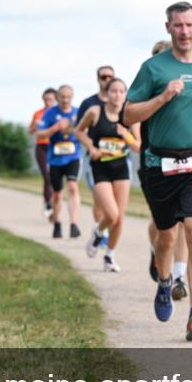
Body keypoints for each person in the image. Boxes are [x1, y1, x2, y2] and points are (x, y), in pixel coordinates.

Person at [123, 1, 192, 341]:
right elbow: (128, 116)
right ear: (168, 28)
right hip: (159, 165)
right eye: (177, 26)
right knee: (166, 237)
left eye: (189, 25)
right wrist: (162, 98)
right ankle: (165, 282)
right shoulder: (153, 68)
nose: (184, 31)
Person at [76, 78, 142, 272]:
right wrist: (91, 147)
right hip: (99, 167)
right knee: (111, 214)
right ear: (107, 93)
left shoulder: (130, 115)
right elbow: (79, 131)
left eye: (122, 91)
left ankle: (109, 256)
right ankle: (98, 232)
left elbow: (139, 146)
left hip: (121, 168)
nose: (118, 95)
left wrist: (126, 135)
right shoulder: (95, 112)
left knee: (119, 217)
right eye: (114, 91)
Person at [144, 40, 190, 301]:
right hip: (153, 164)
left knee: (183, 222)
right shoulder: (146, 89)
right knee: (163, 225)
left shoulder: (186, 89)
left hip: (185, 162)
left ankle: (180, 275)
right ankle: (157, 251)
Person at [78, 66, 116, 249]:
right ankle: (103, 234)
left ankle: (108, 236)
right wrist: (91, 147)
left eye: (110, 76)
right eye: (103, 77)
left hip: (119, 159)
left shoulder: (123, 102)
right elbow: (79, 129)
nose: (107, 79)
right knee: (99, 200)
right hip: (96, 159)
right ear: (98, 79)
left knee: (115, 205)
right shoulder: (89, 104)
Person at [38, 85, 82, 238]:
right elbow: (40, 134)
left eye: (68, 97)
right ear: (57, 98)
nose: (65, 100)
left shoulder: (78, 113)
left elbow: (85, 131)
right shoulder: (50, 113)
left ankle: (74, 224)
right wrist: (55, 127)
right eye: (62, 97)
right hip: (55, 159)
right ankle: (57, 224)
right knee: (57, 194)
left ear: (72, 96)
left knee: (72, 187)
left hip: (73, 156)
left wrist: (72, 129)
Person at [29, 88, 58, 218]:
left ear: (55, 99)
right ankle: (47, 202)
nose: (48, 102)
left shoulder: (58, 113)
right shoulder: (38, 113)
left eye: (51, 99)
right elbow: (30, 130)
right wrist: (35, 126)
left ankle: (53, 201)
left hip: (55, 147)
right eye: (46, 99)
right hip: (41, 147)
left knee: (53, 177)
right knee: (47, 177)